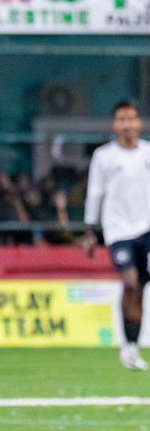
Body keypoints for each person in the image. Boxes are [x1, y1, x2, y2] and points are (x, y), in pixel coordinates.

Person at [84, 99, 150, 371]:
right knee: (131, 282)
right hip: (118, 230)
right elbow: (95, 192)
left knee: (141, 288)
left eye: (132, 119)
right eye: (122, 119)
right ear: (114, 125)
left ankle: (134, 344)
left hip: (146, 227)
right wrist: (90, 229)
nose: (127, 125)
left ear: (139, 123)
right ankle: (129, 346)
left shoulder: (147, 152)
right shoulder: (104, 156)